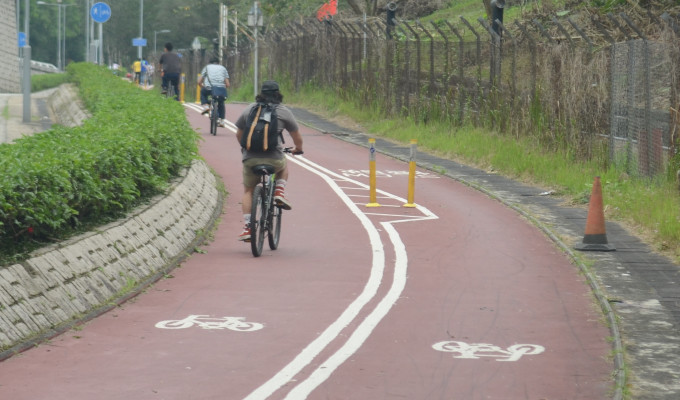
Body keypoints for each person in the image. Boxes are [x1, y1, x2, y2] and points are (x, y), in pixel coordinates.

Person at [234, 81, 304, 241]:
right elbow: (297, 137)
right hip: (274, 159)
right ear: (278, 93)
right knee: (283, 164)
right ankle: (279, 191)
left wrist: (247, 149)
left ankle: (248, 227)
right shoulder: (283, 111)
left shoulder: (250, 109)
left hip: (250, 159)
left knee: (248, 191)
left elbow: (239, 134)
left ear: (261, 93)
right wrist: (298, 149)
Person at [197, 57, 230, 127]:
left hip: (209, 88)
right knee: (221, 102)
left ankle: (205, 106)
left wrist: (202, 86)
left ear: (210, 63)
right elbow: (227, 84)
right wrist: (222, 88)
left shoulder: (206, 67)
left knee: (203, 92)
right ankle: (221, 120)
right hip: (220, 88)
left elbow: (199, 81)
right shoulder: (223, 68)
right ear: (218, 63)